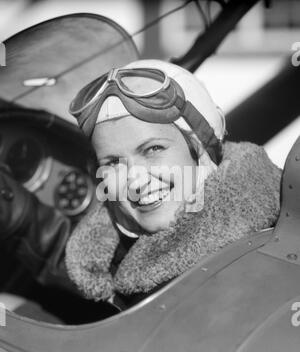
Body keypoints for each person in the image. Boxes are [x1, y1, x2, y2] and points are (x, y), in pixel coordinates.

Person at [65, 60, 282, 308]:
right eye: (113, 162)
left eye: (153, 149)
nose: (134, 180)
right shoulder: (112, 266)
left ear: (201, 147)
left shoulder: (275, 252)